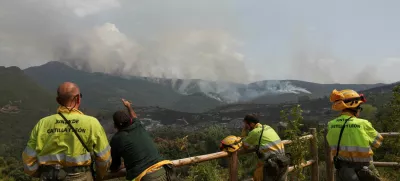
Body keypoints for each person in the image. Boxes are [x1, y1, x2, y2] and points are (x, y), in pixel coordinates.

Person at [21, 82, 111, 180]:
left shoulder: (42, 124)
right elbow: (104, 159)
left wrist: (43, 174)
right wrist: (99, 175)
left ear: (57, 100)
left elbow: (28, 161)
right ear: (77, 99)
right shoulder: (92, 123)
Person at [109, 98, 175, 181]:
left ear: (115, 126)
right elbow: (134, 116)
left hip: (147, 177)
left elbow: (115, 166)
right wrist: (129, 106)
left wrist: (123, 165)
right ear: (130, 120)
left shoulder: (116, 139)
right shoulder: (138, 125)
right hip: (166, 171)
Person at [326, 89, 383, 181]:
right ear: (355, 107)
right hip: (364, 170)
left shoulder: (331, 124)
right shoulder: (363, 124)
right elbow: (378, 142)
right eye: (359, 108)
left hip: (342, 171)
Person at [236, 114, 289, 181]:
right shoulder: (267, 127)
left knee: (257, 175)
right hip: (283, 161)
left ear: (252, 124)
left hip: (272, 164)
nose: (245, 126)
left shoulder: (254, 132)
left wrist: (243, 131)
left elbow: (245, 145)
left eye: (246, 125)